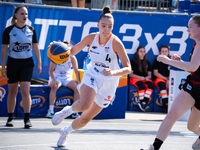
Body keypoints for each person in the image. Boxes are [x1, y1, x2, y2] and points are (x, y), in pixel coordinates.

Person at [51, 6, 132, 147]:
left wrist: (113, 73)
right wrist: (57, 49)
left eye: (110, 27)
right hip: (92, 74)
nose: (106, 29)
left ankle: (65, 132)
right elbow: (72, 51)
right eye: (104, 26)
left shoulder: (116, 43)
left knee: (85, 119)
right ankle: (66, 111)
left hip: (109, 82)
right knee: (85, 104)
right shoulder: (91, 38)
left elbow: (128, 68)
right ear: (98, 25)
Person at [146, 15, 200, 150]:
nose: (188, 30)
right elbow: (194, 70)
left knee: (191, 126)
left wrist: (168, 61)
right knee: (172, 115)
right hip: (192, 86)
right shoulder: (196, 43)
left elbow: (193, 67)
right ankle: (154, 147)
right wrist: (180, 62)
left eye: (190, 27)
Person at [1, 5, 42, 129]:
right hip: (13, 63)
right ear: (16, 15)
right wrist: (3, 66)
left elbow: (35, 46)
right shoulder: (8, 31)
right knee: (12, 91)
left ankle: (27, 119)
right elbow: (4, 49)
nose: (25, 16)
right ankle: (10, 118)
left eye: (26, 14)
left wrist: (39, 63)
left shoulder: (31, 30)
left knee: (25, 90)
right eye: (22, 14)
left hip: (27, 63)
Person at [46, 41, 80, 119]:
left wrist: (78, 82)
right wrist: (54, 80)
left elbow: (76, 71)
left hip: (67, 78)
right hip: (56, 77)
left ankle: (75, 111)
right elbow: (50, 71)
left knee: (77, 88)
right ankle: (50, 111)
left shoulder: (72, 58)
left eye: (69, 50)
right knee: (54, 86)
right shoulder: (57, 56)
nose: (68, 52)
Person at [129, 46, 154, 112]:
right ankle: (142, 102)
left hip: (144, 79)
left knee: (151, 85)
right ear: (137, 52)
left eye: (144, 51)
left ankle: (143, 103)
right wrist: (139, 77)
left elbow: (149, 75)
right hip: (136, 79)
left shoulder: (147, 62)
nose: (142, 53)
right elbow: (130, 74)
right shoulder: (133, 61)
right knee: (141, 85)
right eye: (141, 51)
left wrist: (147, 77)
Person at [153, 45, 170, 113]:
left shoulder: (171, 61)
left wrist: (169, 80)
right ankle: (166, 104)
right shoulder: (157, 61)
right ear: (160, 52)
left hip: (170, 79)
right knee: (162, 85)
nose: (164, 53)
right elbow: (155, 73)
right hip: (160, 79)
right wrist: (166, 80)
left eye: (166, 51)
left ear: (168, 52)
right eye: (162, 51)